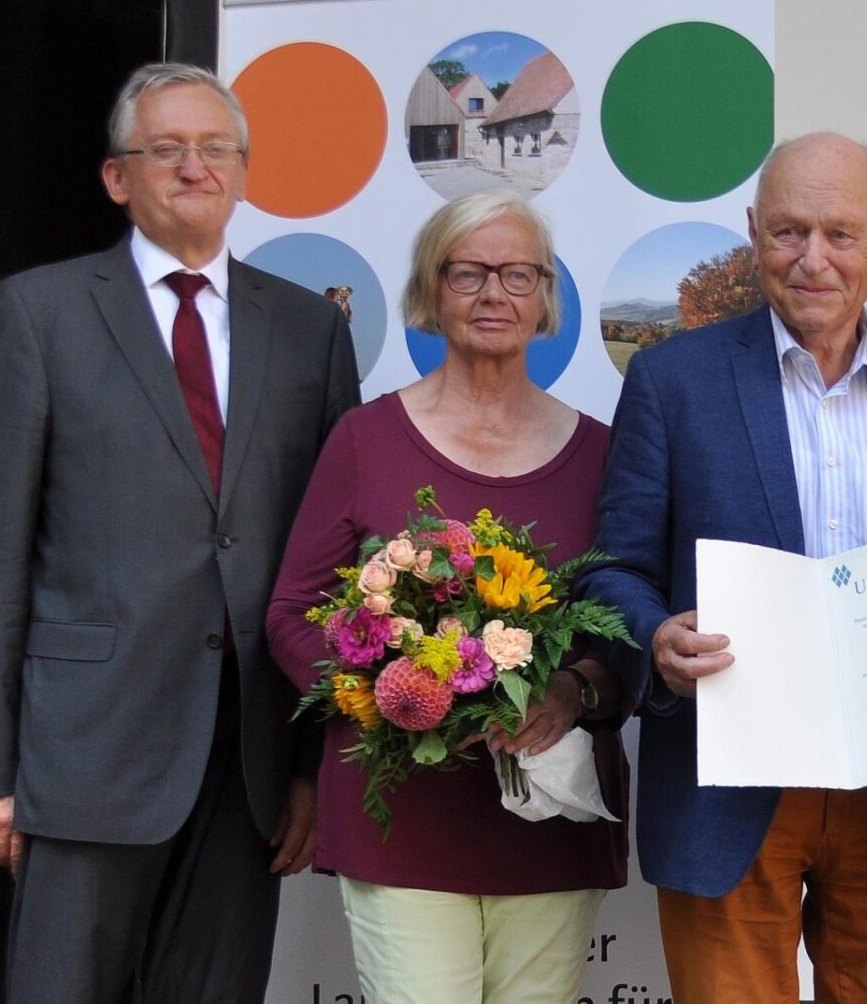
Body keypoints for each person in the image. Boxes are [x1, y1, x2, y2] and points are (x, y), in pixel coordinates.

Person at [577, 132, 867, 1003]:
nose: (812, 259)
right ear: (754, 234)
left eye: (840, 234)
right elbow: (612, 571)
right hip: (727, 783)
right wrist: (656, 638)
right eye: (788, 231)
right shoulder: (672, 382)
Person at [0, 63, 360, 1002]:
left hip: (249, 763)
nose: (193, 166)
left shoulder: (308, 330)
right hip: (83, 757)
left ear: (244, 172)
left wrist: (310, 768)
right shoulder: (39, 313)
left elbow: (333, 564)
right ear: (116, 176)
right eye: (166, 148)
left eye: (215, 148)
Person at [266, 190, 634, 1004]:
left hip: (550, 823)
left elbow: (629, 635)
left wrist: (573, 691)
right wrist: (384, 689)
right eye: (467, 272)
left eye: (517, 274)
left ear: (545, 297)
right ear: (431, 291)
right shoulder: (363, 440)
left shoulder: (604, 454)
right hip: (402, 821)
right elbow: (291, 615)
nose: (493, 293)